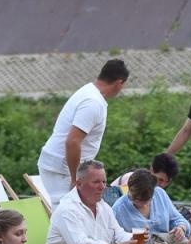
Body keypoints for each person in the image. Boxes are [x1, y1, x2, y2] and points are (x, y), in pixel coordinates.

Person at [36, 60, 129, 201]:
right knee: (68, 213)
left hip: (58, 163)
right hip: (64, 168)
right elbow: (72, 142)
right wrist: (75, 178)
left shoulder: (88, 91)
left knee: (71, 212)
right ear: (119, 83)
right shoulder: (93, 103)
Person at [112, 168, 190, 244]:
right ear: (129, 190)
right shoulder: (118, 209)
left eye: (146, 200)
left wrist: (181, 228)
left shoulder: (159, 194)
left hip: (166, 242)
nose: (142, 204)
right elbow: (115, 239)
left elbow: (177, 218)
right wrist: (133, 237)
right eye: (136, 199)